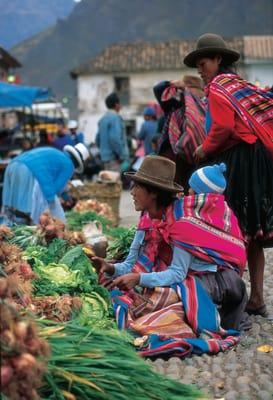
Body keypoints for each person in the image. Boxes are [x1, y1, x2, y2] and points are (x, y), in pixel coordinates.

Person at [92, 156, 250, 358]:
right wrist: (109, 268)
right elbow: (131, 265)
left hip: (211, 281)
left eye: (137, 187)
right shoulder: (147, 221)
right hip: (178, 277)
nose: (131, 193)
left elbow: (177, 273)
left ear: (154, 193)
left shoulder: (181, 224)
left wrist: (139, 279)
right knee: (111, 284)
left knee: (159, 304)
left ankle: (201, 318)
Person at [184, 33, 273, 317]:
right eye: (197, 64)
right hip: (255, 160)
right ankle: (255, 297)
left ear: (218, 60)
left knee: (233, 227)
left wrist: (203, 148)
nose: (200, 68)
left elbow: (222, 129)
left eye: (204, 62)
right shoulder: (237, 85)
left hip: (239, 161)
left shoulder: (218, 89)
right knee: (251, 231)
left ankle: (231, 296)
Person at [2, 143, 90, 225]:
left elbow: (60, 188)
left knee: (14, 206)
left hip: (13, 165)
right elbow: (55, 190)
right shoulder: (69, 165)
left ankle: (9, 231)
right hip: (30, 171)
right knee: (34, 209)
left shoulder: (58, 155)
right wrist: (61, 219)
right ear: (78, 163)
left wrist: (65, 196)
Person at [153, 75, 206, 191]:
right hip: (176, 162)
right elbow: (158, 89)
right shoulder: (174, 108)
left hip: (198, 161)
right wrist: (170, 83)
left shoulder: (204, 110)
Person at [95, 92, 129, 173]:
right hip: (115, 159)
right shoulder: (115, 118)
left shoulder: (102, 119)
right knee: (115, 184)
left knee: (108, 183)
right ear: (116, 104)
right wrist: (121, 155)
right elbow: (115, 138)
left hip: (105, 159)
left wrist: (104, 151)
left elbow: (97, 139)